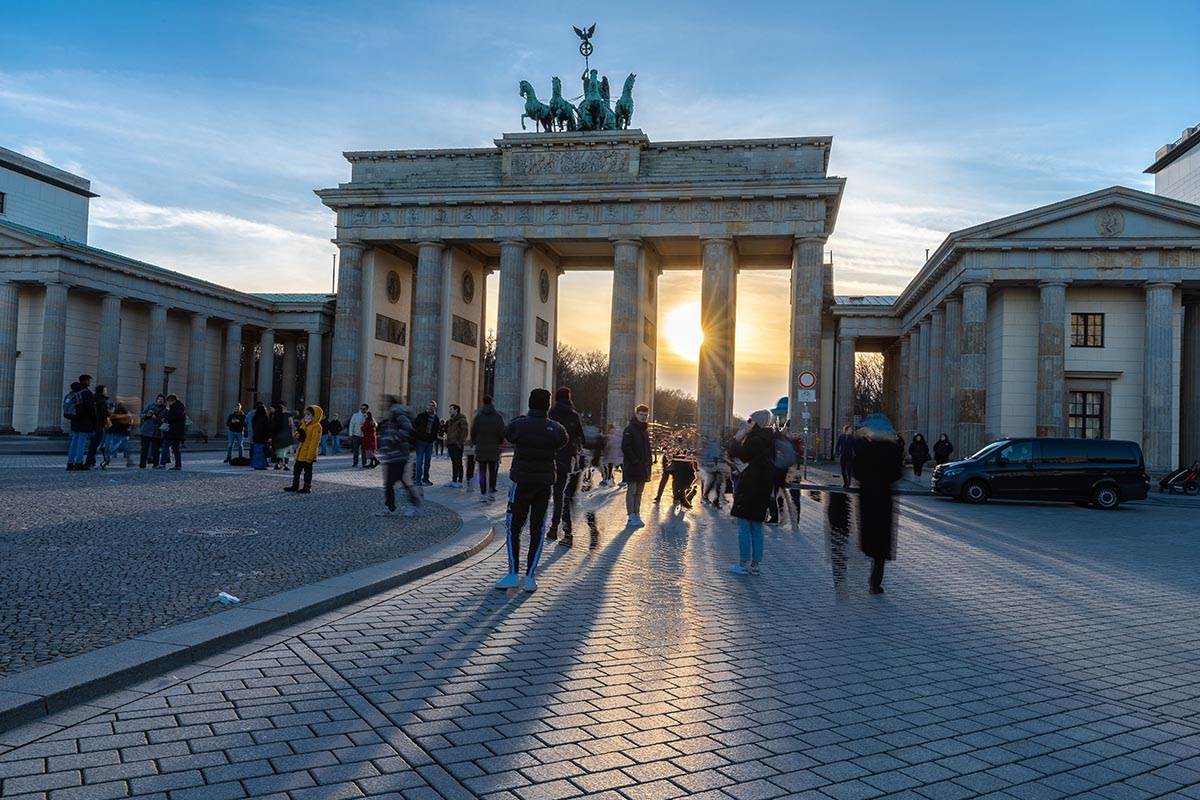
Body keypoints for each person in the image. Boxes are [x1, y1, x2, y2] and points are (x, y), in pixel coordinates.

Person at [495, 389, 568, 593]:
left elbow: (508, 433)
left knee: (514, 527)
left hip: (521, 482)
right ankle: (530, 577)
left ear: (529, 402)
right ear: (548, 405)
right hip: (543, 484)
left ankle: (512, 573)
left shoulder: (520, 424)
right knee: (538, 528)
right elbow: (564, 440)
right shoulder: (555, 428)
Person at [854, 414, 903, 594]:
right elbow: (897, 474)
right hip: (884, 498)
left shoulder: (865, 448)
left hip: (867, 497)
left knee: (869, 534)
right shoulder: (893, 449)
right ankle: (875, 582)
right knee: (882, 541)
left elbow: (856, 472)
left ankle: (868, 556)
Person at [728, 410, 776, 575]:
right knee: (757, 526)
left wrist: (738, 437)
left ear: (756, 422)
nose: (747, 423)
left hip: (750, 486)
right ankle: (755, 565)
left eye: (750, 420)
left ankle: (743, 564)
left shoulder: (754, 440)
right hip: (763, 488)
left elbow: (735, 454)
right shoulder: (770, 439)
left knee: (743, 526)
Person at [548, 387, 585, 544]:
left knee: (550, 496)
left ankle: (553, 528)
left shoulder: (551, 413)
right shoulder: (574, 415)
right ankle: (567, 532)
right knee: (561, 497)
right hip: (565, 461)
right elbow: (581, 438)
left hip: (550, 459)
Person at [377, 401, 420, 516]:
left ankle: (407, 504)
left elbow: (407, 429)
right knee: (394, 482)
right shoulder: (391, 418)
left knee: (391, 483)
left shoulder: (399, 416)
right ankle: (393, 506)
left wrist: (394, 439)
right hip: (392, 456)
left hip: (399, 456)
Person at [620, 405, 652, 528]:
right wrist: (635, 461)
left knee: (639, 492)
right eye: (641, 415)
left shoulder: (644, 430)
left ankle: (637, 513)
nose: (644, 417)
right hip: (633, 466)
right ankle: (631, 516)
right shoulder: (629, 429)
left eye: (645, 415)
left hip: (643, 466)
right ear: (636, 414)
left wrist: (648, 462)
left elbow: (647, 449)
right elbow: (625, 447)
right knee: (632, 490)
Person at [471, 396, 506, 503]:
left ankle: (482, 493)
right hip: (493, 448)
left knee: (481, 471)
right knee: (493, 471)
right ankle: (491, 490)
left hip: (481, 448)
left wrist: (474, 442)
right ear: (492, 402)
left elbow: (473, 432)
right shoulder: (498, 417)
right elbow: (502, 432)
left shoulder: (478, 416)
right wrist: (500, 441)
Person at [284, 405, 323, 494]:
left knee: (307, 472)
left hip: (308, 454)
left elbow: (314, 443)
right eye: (305, 414)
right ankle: (295, 485)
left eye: (308, 414)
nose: (306, 416)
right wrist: (296, 433)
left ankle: (307, 487)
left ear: (314, 415)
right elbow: (299, 436)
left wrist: (310, 456)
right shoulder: (304, 424)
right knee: (296, 470)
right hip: (301, 452)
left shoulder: (317, 427)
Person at [64, 375, 96, 471]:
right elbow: (91, 409)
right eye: (89, 380)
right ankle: (79, 463)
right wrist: (94, 421)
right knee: (81, 443)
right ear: (85, 381)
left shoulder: (74, 392)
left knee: (74, 442)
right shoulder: (87, 393)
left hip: (75, 420)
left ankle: (70, 463)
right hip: (85, 421)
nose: (89, 382)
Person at [412, 401, 439, 485]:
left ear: (435, 407)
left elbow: (436, 430)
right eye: (429, 405)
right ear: (427, 407)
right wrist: (417, 436)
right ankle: (418, 480)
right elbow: (414, 426)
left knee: (428, 462)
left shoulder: (436, 418)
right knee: (419, 462)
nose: (430, 407)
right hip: (420, 442)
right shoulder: (421, 416)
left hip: (429, 443)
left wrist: (433, 439)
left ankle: (426, 479)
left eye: (432, 406)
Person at [158, 394, 187, 470]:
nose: (168, 403)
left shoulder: (176, 406)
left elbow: (176, 417)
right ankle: (178, 465)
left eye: (168, 401)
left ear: (172, 400)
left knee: (165, 446)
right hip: (177, 432)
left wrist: (167, 419)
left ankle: (162, 464)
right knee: (176, 449)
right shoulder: (179, 406)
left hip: (173, 431)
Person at [85, 384, 111, 468]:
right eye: (105, 390)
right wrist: (110, 412)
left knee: (93, 444)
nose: (106, 392)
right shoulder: (102, 401)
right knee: (97, 444)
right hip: (100, 425)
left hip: (92, 425)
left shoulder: (93, 399)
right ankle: (90, 461)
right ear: (102, 391)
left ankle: (91, 461)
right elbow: (104, 414)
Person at [444, 404, 469, 487]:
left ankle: (460, 481)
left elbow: (464, 432)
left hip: (457, 444)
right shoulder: (451, 420)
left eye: (451, 409)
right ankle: (454, 480)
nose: (449, 411)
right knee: (454, 462)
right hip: (451, 444)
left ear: (456, 410)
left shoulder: (462, 420)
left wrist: (460, 442)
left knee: (458, 462)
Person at [101, 402, 133, 468]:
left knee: (114, 445)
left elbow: (109, 422)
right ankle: (127, 460)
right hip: (123, 432)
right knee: (120, 446)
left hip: (114, 431)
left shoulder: (114, 414)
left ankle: (107, 459)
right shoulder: (126, 414)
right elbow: (129, 422)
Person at [138, 394, 166, 469]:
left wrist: (157, 419)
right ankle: (142, 464)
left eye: (162, 400)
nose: (160, 401)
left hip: (156, 432)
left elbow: (164, 420)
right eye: (159, 399)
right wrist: (148, 415)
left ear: (164, 401)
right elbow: (141, 415)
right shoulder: (150, 406)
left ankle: (155, 464)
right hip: (146, 430)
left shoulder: (165, 410)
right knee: (144, 449)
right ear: (156, 400)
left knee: (156, 449)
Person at [270, 403, 294, 470]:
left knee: (278, 450)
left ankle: (278, 464)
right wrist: (292, 433)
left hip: (277, 435)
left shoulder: (275, 415)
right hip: (286, 435)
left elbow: (273, 426)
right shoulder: (288, 415)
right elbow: (291, 424)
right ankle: (285, 464)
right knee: (286, 450)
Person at [250, 401, 272, 469]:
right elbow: (267, 429)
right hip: (263, 437)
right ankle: (261, 465)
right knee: (262, 452)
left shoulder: (255, 418)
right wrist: (269, 436)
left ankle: (256, 465)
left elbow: (253, 427)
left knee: (256, 452)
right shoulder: (265, 418)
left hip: (256, 437)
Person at [348, 403, 368, 467]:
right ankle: (355, 463)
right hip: (356, 435)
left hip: (364, 436)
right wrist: (350, 434)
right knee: (355, 450)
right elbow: (351, 425)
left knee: (364, 451)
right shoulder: (355, 415)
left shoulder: (368, 416)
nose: (362, 409)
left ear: (366, 409)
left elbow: (374, 424)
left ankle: (364, 463)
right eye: (361, 408)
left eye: (364, 409)